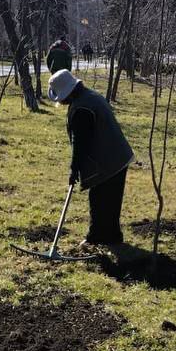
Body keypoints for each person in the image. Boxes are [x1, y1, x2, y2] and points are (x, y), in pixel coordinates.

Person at [47, 68, 133, 249]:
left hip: (109, 159)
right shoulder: (89, 96)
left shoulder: (82, 109)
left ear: (66, 94)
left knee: (100, 200)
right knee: (109, 199)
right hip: (117, 155)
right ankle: (112, 237)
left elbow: (80, 143)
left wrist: (74, 169)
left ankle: (96, 238)